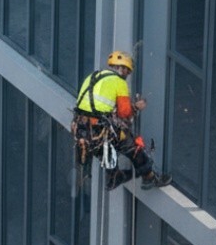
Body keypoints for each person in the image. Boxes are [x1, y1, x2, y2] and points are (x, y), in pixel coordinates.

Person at [73, 50, 172, 191]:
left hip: (82, 127)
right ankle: (149, 177)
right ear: (123, 68)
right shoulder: (119, 82)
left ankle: (113, 176)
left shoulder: (94, 75)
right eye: (127, 72)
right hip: (99, 127)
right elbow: (124, 112)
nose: (127, 75)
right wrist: (136, 107)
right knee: (132, 145)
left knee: (105, 148)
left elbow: (92, 102)